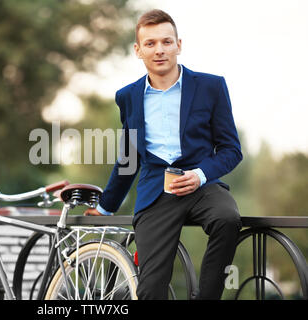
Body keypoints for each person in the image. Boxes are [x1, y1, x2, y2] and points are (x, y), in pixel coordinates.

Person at [84, 9, 243, 300]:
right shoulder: (127, 96)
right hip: (156, 193)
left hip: (202, 185)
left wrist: (200, 174)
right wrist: (105, 207)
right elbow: (129, 156)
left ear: (178, 45)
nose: (159, 50)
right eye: (151, 43)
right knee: (150, 290)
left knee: (228, 219)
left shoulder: (211, 87)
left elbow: (232, 150)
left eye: (166, 42)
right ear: (138, 50)